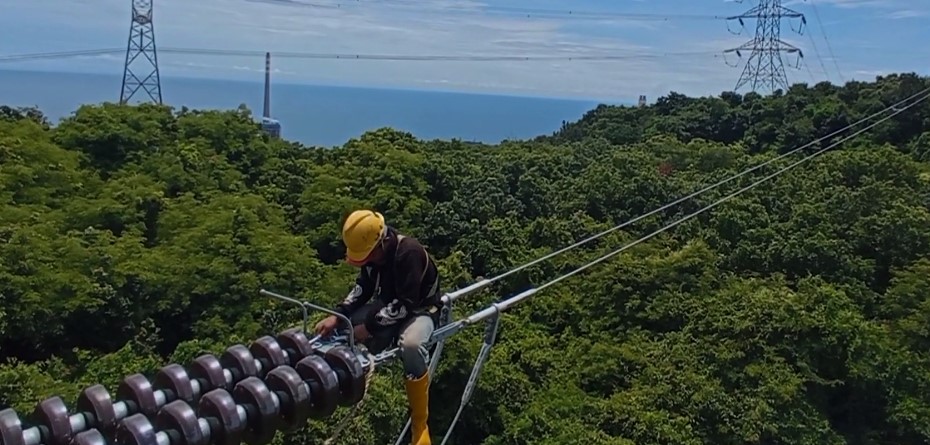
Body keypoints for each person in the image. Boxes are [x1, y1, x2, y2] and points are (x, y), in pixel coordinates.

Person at [315, 209, 441, 445]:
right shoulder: (374, 257)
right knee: (347, 327)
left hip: (420, 310)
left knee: (411, 346)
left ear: (380, 244)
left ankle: (420, 423)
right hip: (387, 305)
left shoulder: (408, 253)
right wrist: (337, 315)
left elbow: (406, 304)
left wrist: (370, 327)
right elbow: (363, 288)